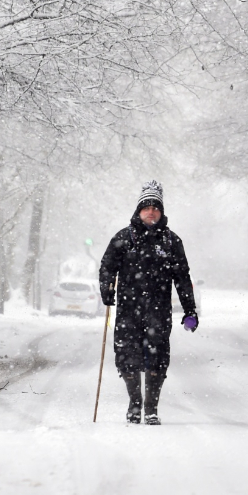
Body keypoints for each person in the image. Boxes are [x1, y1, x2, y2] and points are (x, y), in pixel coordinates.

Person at [99, 180, 198, 425]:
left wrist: (190, 310)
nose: (151, 211)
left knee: (158, 357)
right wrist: (106, 288)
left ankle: (151, 408)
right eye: (146, 206)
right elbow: (107, 267)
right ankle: (134, 404)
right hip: (128, 310)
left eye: (156, 207)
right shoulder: (124, 238)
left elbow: (182, 277)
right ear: (139, 210)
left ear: (161, 211)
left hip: (159, 311)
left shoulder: (171, 242)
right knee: (127, 356)